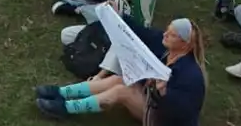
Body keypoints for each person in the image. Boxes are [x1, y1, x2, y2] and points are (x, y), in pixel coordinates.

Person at [35, 18, 207, 122]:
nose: (165, 35)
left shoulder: (191, 74)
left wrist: (165, 95)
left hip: (166, 119)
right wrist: (118, 14)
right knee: (119, 79)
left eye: (172, 35)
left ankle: (67, 108)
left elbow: (183, 112)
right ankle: (61, 92)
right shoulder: (166, 49)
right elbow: (140, 31)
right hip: (153, 100)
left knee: (121, 91)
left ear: (185, 44)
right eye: (167, 30)